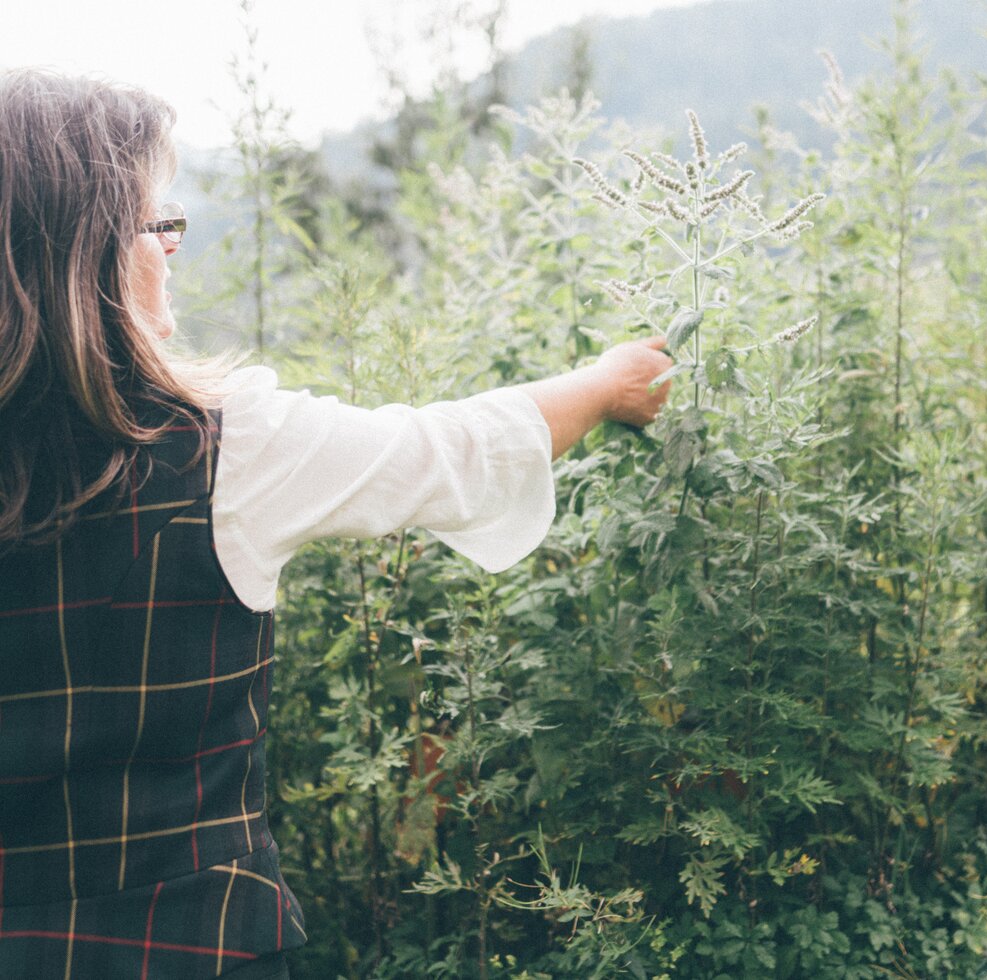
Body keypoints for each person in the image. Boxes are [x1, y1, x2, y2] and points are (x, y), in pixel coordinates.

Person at [0, 69, 671, 979]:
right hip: (194, 947)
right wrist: (604, 384)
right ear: (89, 256)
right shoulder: (227, 449)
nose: (173, 250)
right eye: (158, 225)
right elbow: (452, 453)